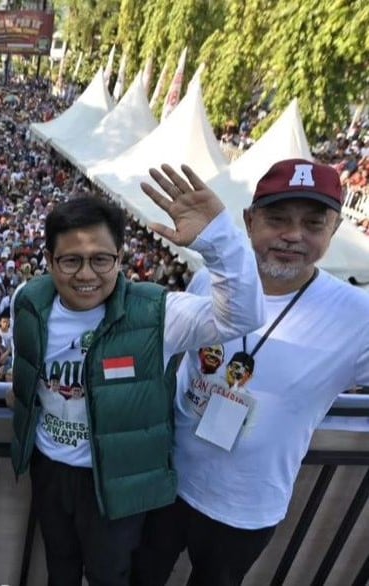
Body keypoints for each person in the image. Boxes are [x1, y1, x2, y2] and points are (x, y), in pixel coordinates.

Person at [9, 164, 266, 586]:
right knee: (60, 565)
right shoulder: (29, 301)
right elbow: (27, 370)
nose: (87, 274)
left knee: (109, 574)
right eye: (71, 260)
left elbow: (243, 314)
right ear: (50, 261)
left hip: (117, 479)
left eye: (101, 259)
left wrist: (219, 241)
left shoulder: (157, 313)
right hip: (50, 467)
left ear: (121, 259)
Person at [133, 158, 369, 586]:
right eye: (277, 219)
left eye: (313, 225)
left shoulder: (358, 317)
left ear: (334, 230)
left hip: (245, 508)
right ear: (249, 220)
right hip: (168, 480)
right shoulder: (208, 280)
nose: (293, 235)